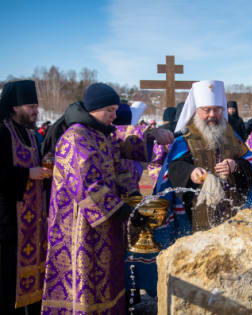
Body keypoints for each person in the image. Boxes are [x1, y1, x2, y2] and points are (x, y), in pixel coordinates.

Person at [41, 83, 152, 314]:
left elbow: (118, 166)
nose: (114, 115)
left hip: (105, 222)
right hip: (79, 227)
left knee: (107, 279)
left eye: (115, 109)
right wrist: (123, 212)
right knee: (85, 281)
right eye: (109, 110)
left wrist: (131, 196)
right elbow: (86, 184)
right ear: (93, 108)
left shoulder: (101, 134)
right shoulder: (76, 136)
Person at [162, 80, 252, 232]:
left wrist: (235, 165)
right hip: (197, 210)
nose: (212, 115)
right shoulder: (185, 137)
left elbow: (250, 165)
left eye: (217, 109)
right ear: (197, 110)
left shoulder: (232, 136)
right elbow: (173, 167)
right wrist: (190, 172)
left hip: (232, 210)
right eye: (206, 110)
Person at [0, 80, 52, 314]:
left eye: (36, 105)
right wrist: (26, 174)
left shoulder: (31, 135)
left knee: (35, 280)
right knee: (8, 282)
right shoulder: (1, 132)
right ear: (15, 107)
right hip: (8, 222)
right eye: (30, 106)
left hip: (32, 223)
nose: (35, 110)